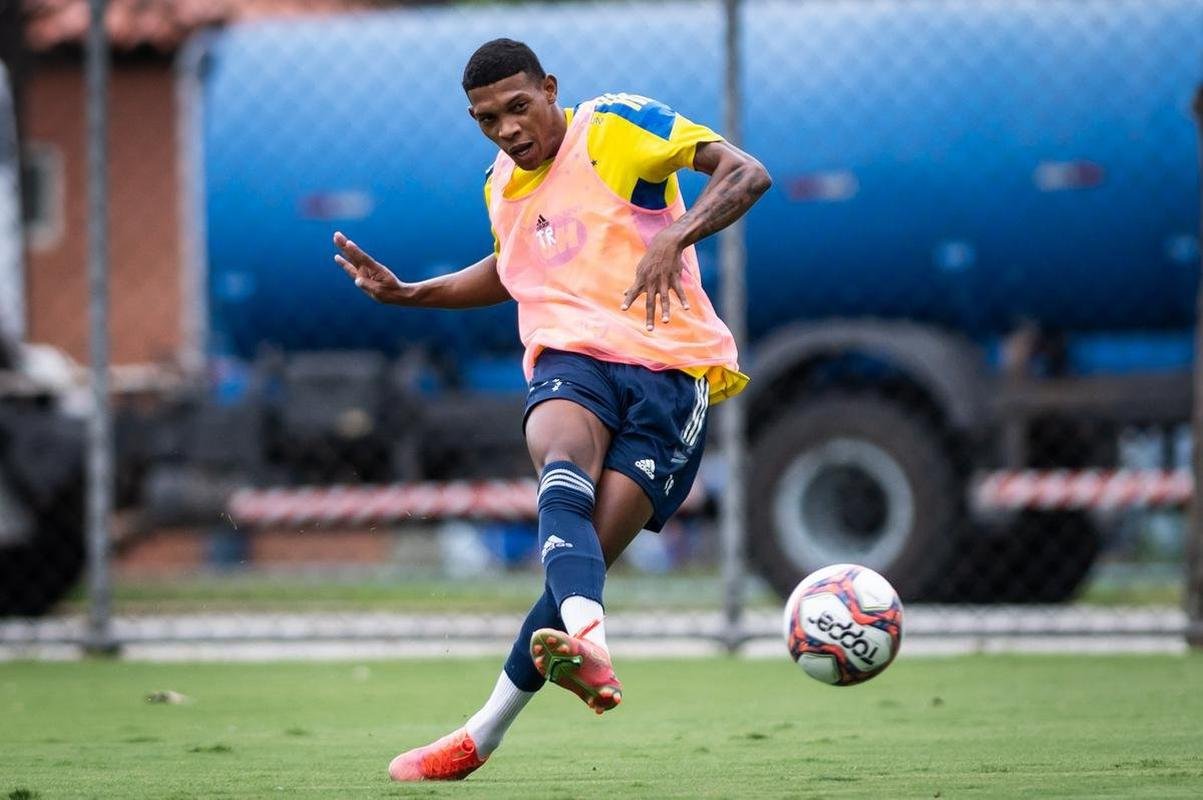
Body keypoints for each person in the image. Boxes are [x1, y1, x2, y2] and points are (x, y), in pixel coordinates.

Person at [332, 38, 770, 782]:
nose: (505, 128)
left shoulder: (615, 127)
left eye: (516, 107)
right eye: (485, 119)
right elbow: (510, 270)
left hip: (670, 375)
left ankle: (484, 732)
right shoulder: (500, 183)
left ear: (549, 90)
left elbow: (746, 173)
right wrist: (414, 293)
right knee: (558, 454)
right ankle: (584, 646)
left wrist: (676, 234)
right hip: (570, 360)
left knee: (580, 566)